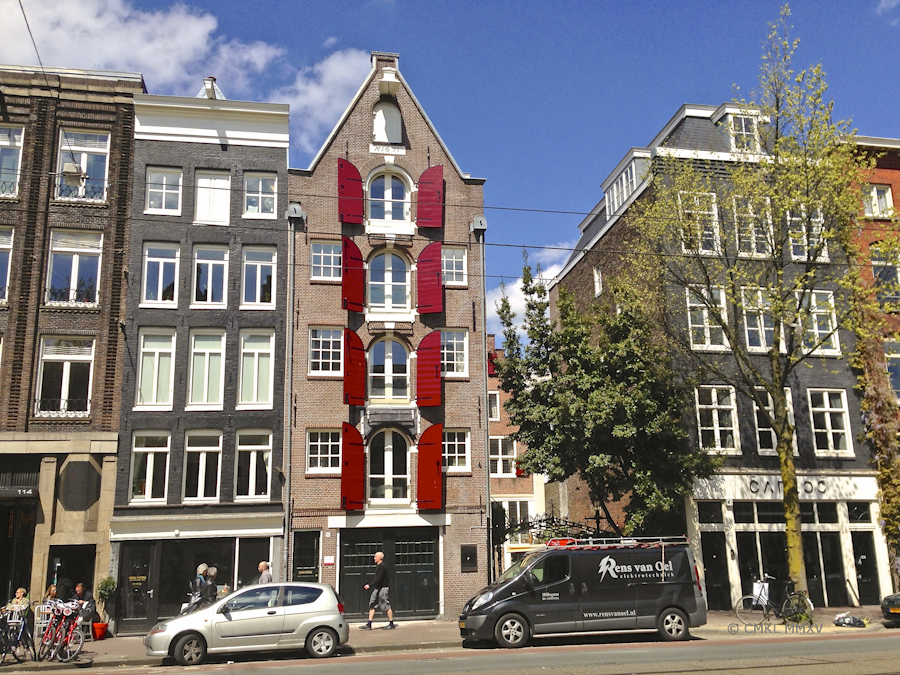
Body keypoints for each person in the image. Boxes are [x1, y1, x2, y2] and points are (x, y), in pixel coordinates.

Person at [360, 551, 395, 630]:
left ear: (379, 558)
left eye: (375, 557)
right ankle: (369, 624)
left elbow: (378, 578)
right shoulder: (378, 566)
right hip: (377, 588)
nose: (374, 558)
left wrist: (369, 585)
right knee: (372, 604)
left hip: (383, 588)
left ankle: (391, 623)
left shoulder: (382, 566)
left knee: (386, 605)